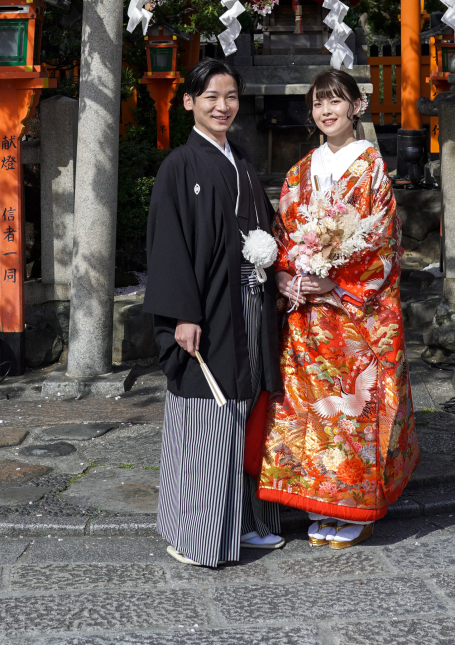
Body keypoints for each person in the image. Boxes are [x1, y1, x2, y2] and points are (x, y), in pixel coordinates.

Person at [256, 67, 419, 547]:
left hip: (351, 313)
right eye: (318, 103)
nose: (326, 111)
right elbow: (284, 233)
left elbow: (383, 243)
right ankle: (319, 500)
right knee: (312, 410)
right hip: (307, 312)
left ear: (356, 106)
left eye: (335, 101)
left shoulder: (371, 167)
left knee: (354, 408)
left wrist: (333, 281)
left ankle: (357, 505)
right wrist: (285, 275)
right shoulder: (300, 171)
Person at [143, 57, 285, 568]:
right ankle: (194, 533)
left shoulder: (241, 163)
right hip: (206, 309)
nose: (222, 106)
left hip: (249, 305)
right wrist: (183, 314)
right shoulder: (180, 166)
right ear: (189, 102)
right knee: (209, 413)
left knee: (246, 411)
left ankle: (244, 523)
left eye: (230, 97)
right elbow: (169, 245)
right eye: (211, 97)